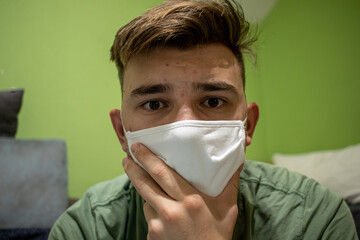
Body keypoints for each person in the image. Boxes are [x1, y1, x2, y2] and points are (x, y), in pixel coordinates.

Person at [49, 0, 358, 239]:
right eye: (154, 103)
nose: (186, 131)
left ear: (248, 124)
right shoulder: (82, 228)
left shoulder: (315, 216)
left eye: (213, 101)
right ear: (122, 131)